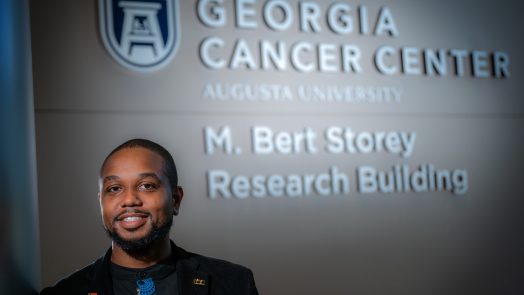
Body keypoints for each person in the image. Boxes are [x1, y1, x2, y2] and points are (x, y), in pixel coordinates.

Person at [41, 139, 259, 295]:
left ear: (175, 199)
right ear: (101, 201)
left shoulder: (234, 283)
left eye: (147, 186)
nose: (129, 200)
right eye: (114, 188)